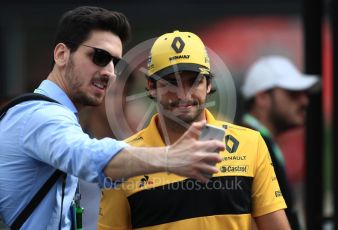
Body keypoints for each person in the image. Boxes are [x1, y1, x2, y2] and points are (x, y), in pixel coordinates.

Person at [0, 7, 225, 229]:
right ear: (61, 55)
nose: (110, 72)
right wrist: (170, 157)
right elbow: (86, 156)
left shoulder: (53, 114)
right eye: (100, 57)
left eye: (114, 62)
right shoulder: (40, 115)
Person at [98, 30, 291, 230]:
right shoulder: (123, 158)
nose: (183, 94)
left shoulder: (250, 144)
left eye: (194, 81)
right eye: (171, 82)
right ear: (151, 86)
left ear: (208, 85)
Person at [240, 55, 319, 229]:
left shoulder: (254, 142)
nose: (304, 101)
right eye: (292, 93)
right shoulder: (248, 146)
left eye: (303, 94)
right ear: (262, 98)